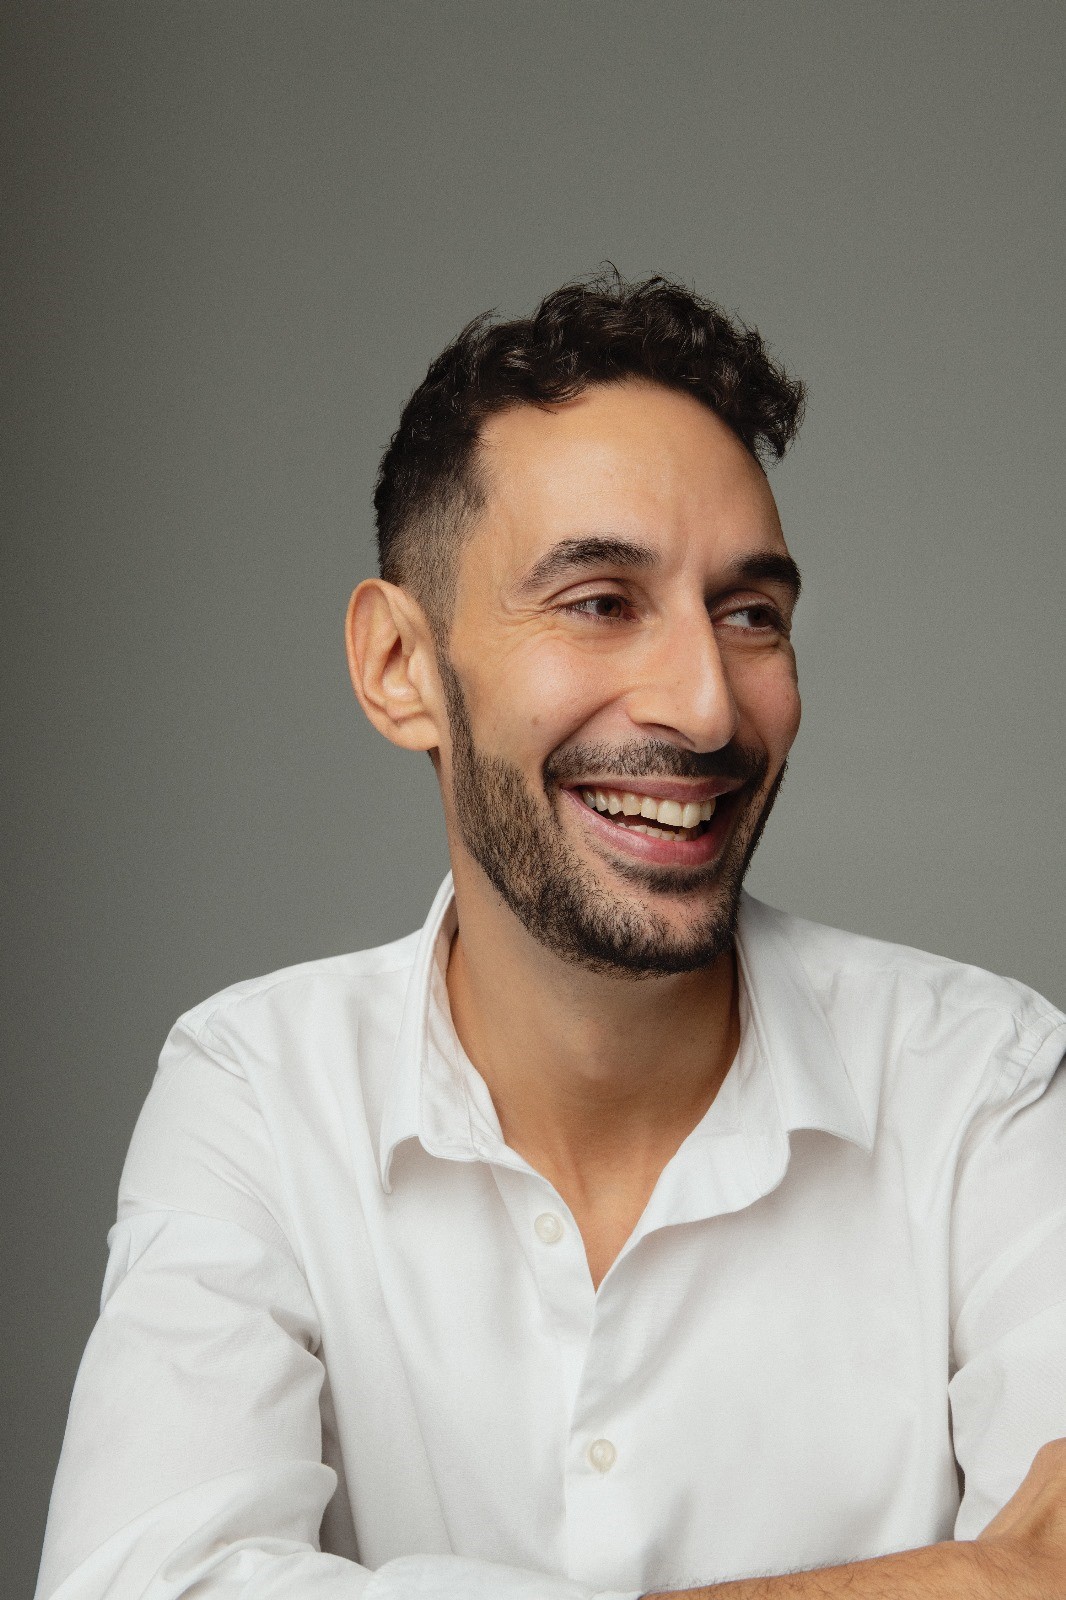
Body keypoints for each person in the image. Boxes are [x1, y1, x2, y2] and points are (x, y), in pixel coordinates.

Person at [36, 273, 1066, 1600]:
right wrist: (953, 1583)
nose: (706, 707)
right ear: (401, 668)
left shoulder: (984, 1084)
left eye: (749, 614)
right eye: (598, 601)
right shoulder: (259, 1089)